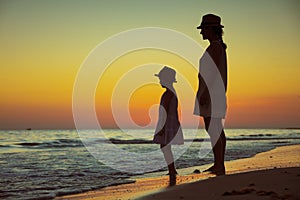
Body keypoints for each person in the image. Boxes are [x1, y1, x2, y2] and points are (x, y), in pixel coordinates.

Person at [194, 14, 228, 176]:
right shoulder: (217, 47)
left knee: (212, 128)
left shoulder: (215, 48)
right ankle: (219, 164)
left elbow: (212, 74)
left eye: (203, 29)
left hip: (211, 93)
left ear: (211, 29)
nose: (201, 33)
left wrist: (205, 93)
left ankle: (219, 165)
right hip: (214, 93)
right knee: (216, 128)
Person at [153, 66, 184, 186]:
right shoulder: (171, 92)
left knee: (164, 147)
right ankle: (172, 169)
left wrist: (161, 128)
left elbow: (165, 112)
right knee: (166, 147)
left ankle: (172, 170)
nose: (160, 81)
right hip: (171, 122)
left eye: (161, 79)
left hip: (167, 123)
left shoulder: (168, 94)